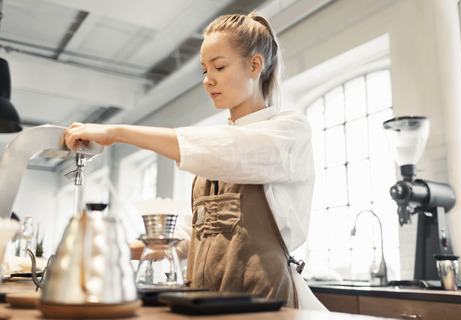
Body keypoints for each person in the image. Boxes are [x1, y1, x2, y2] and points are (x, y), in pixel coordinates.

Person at [64, 12, 326, 310]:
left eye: (219, 66)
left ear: (255, 65)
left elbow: (233, 150)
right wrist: (122, 250)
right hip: (201, 298)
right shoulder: (217, 148)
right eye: (204, 69)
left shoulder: (288, 129)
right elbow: (196, 233)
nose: (207, 80)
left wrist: (117, 132)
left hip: (262, 299)